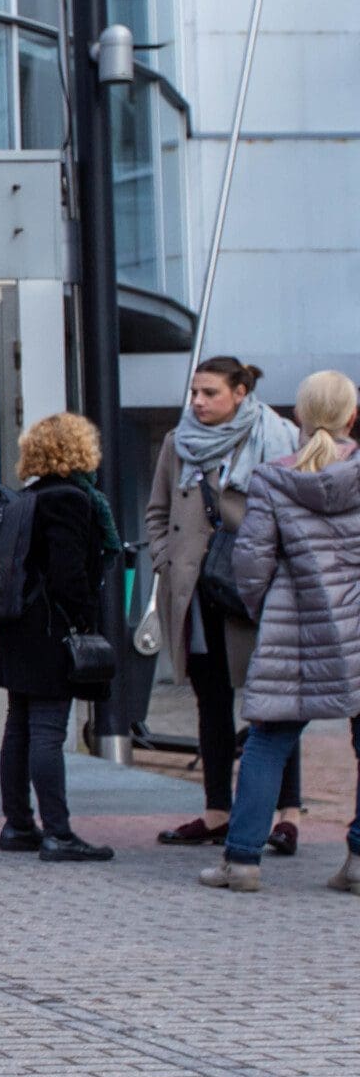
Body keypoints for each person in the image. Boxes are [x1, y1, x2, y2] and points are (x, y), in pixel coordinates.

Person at [198, 371, 360, 893]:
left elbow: (251, 559)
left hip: (294, 623)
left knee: (269, 739)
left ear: (298, 418)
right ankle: (357, 862)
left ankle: (242, 861)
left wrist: (263, 606)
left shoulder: (272, 477)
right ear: (352, 417)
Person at [145, 356, 302, 851]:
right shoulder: (178, 442)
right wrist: (166, 560)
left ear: (239, 392)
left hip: (256, 591)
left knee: (273, 704)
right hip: (196, 592)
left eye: (210, 392)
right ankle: (216, 811)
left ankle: (287, 814)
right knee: (210, 701)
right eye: (195, 392)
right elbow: (158, 511)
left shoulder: (279, 438)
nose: (197, 402)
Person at [0, 413, 118, 863]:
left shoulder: (27, 498)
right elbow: (69, 574)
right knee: (47, 731)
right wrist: (84, 621)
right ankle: (58, 832)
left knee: (19, 727)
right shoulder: (70, 500)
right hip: (52, 631)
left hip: (19, 629)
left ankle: (18, 824)